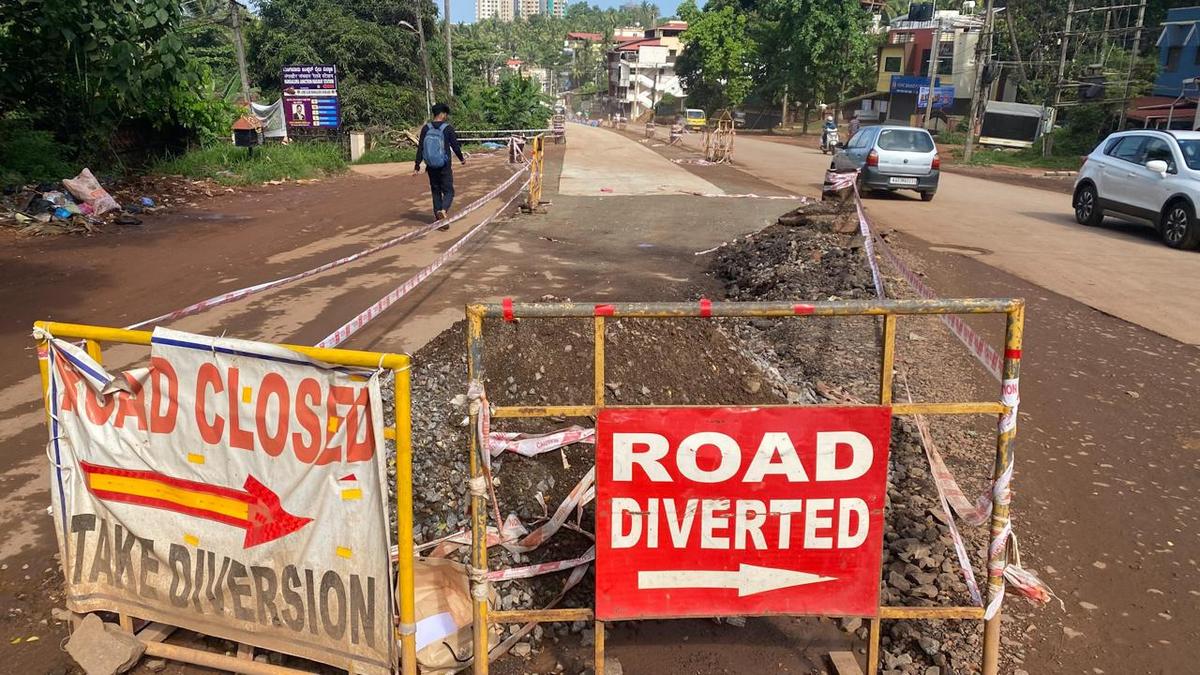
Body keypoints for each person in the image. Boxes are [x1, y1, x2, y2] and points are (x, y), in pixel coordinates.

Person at [414, 103, 466, 229]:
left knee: (436, 191)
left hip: (431, 166)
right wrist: (462, 159)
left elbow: (420, 147)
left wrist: (417, 165)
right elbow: (455, 146)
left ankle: (439, 221)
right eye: (446, 114)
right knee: (449, 191)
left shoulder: (426, 128)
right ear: (442, 114)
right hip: (444, 165)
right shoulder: (448, 128)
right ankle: (443, 210)